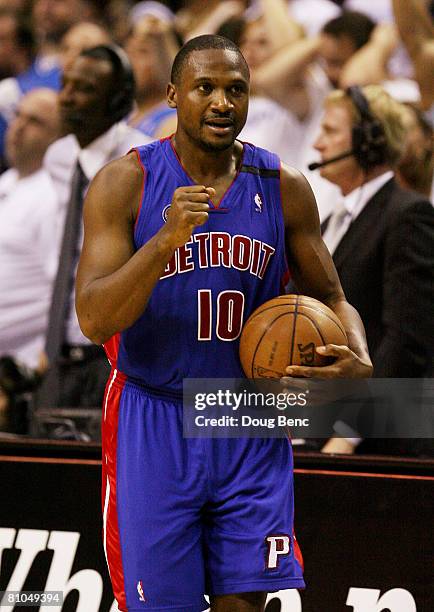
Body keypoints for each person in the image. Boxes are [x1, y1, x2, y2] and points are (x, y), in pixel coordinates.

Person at [76, 35, 372, 612]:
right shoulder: (126, 182)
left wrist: (356, 353)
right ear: (171, 95)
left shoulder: (282, 186)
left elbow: (333, 296)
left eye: (236, 90)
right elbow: (93, 318)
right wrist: (163, 241)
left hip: (248, 416)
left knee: (246, 604)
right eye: (204, 87)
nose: (221, 102)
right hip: (154, 411)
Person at [313, 85, 434, 454]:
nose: (318, 143)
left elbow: (406, 340)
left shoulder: (408, 214)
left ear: (370, 141)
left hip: (378, 444)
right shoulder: (330, 221)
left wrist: (349, 434)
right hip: (321, 425)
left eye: (331, 131)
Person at [37, 45, 149, 410]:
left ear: (118, 102)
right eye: (65, 85)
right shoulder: (58, 156)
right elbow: (64, 249)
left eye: (83, 89)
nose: (66, 98)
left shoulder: (142, 162)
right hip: (59, 356)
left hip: (116, 357)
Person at [0, 88, 60, 370]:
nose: (19, 127)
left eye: (35, 121)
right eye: (18, 116)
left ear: (60, 138)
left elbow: (60, 293)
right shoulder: (8, 181)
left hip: (20, 367)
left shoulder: (54, 197)